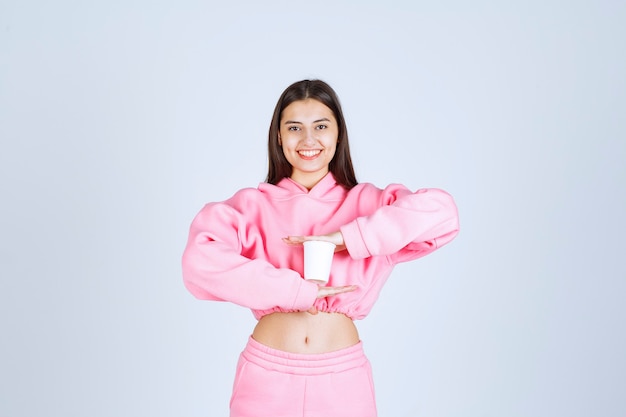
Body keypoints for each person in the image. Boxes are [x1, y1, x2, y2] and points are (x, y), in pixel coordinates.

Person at [182, 79, 460, 417]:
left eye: (321, 126)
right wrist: (295, 290)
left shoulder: (369, 204)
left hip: (341, 382)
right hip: (266, 380)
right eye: (295, 127)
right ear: (279, 136)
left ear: (338, 134)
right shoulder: (251, 206)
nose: (309, 140)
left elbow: (443, 214)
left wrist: (346, 238)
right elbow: (198, 262)